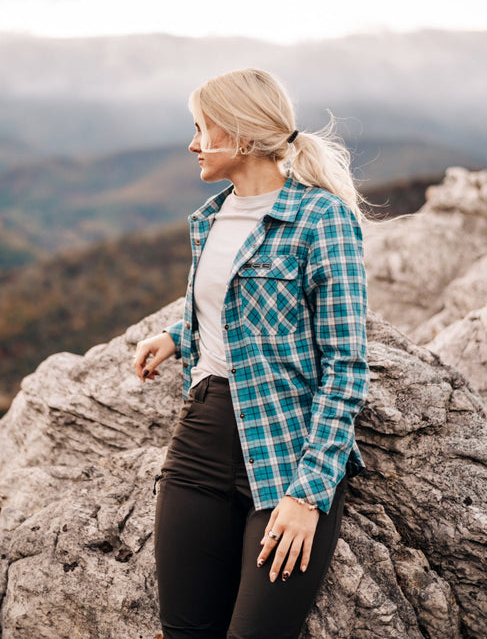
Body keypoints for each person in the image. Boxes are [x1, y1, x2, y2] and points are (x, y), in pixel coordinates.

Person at [132, 68, 369, 639]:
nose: (191, 144)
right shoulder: (210, 219)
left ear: (239, 135)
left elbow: (346, 366)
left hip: (288, 446)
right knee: (185, 631)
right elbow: (236, 309)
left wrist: (309, 494)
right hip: (200, 443)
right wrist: (177, 335)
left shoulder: (322, 219)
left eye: (201, 129)